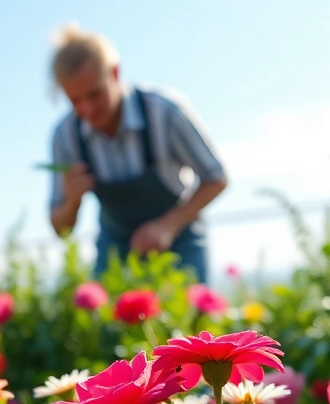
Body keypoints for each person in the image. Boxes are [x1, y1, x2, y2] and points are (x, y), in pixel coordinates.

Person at [47, 24, 227, 280]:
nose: (87, 110)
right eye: (75, 101)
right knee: (105, 319)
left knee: (192, 317)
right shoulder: (65, 137)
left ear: (115, 73)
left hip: (180, 237)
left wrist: (168, 225)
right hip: (115, 244)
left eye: (95, 94)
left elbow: (217, 178)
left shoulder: (165, 111)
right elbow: (61, 228)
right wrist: (72, 200)